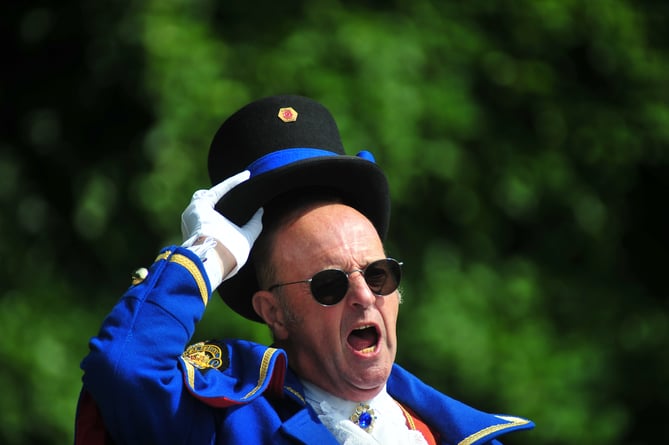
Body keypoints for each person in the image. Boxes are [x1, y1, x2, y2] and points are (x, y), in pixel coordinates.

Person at [75, 95, 534, 444]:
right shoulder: (225, 424)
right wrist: (206, 253)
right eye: (329, 284)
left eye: (378, 275)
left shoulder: (453, 434)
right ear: (274, 312)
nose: (364, 296)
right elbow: (123, 366)